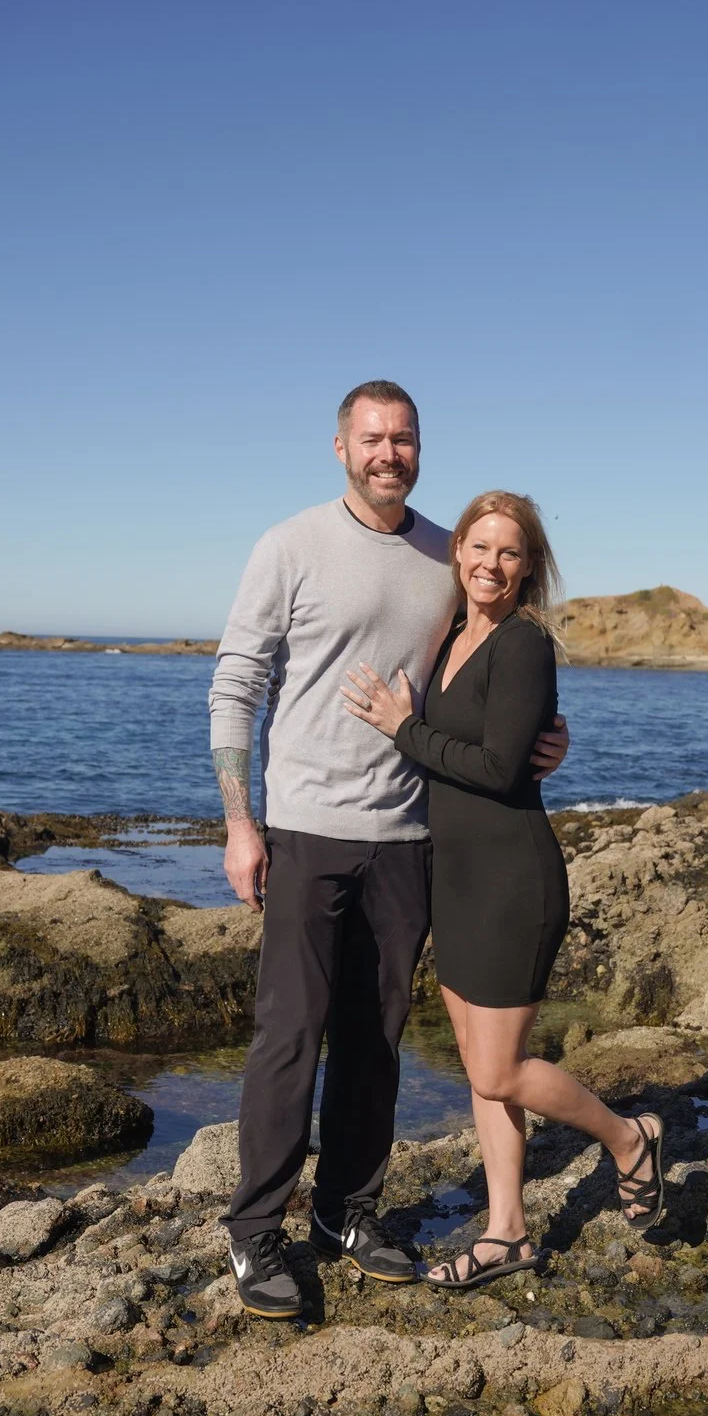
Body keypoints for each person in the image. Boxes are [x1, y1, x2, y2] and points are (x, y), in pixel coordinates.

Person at [208, 381, 569, 1319]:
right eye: (372, 439)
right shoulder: (289, 545)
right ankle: (255, 1232)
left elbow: (490, 672)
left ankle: (347, 1214)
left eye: (403, 439)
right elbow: (237, 681)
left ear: (420, 448)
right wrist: (239, 821)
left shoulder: (447, 556)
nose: (389, 453)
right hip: (307, 830)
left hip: (407, 841)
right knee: (289, 1035)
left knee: (375, 1042)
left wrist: (549, 736)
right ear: (340, 448)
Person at [342, 492, 665, 1289]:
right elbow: (505, 742)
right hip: (452, 878)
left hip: (512, 883)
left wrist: (400, 727)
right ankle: (508, 1232)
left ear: (529, 566)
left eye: (509, 552)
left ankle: (629, 1138)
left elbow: (495, 767)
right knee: (481, 1066)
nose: (490, 563)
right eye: (479, 547)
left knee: (499, 1071)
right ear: (457, 552)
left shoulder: (523, 645)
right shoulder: (452, 631)